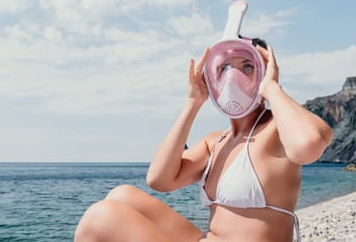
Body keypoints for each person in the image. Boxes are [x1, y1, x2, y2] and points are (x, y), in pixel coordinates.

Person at [74, 37, 333, 242]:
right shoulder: (216, 141)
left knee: (102, 217)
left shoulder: (278, 128)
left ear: (265, 72)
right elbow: (159, 179)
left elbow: (309, 146)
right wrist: (192, 103)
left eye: (248, 66)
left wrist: (272, 89)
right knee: (122, 195)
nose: (234, 76)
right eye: (225, 68)